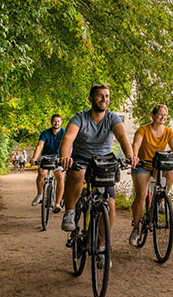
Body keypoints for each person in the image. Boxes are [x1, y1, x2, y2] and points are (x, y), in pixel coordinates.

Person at [59, 84, 135, 269]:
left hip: (103, 163)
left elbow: (122, 137)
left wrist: (130, 155)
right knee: (78, 174)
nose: (104, 100)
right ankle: (69, 213)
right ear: (91, 99)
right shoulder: (80, 117)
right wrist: (64, 156)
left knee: (109, 204)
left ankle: (102, 247)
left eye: (107, 96)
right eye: (100, 96)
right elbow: (68, 138)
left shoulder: (112, 118)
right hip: (82, 160)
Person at [128, 104, 173, 246]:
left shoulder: (168, 131)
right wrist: (134, 157)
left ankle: (160, 200)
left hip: (157, 165)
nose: (163, 117)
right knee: (141, 195)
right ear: (153, 115)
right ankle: (136, 229)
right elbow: (136, 144)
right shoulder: (143, 129)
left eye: (165, 115)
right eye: (160, 114)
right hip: (142, 164)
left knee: (171, 171)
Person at [30, 114, 66, 212]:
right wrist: (34, 158)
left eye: (58, 121)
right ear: (51, 122)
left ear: (61, 122)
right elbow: (40, 146)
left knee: (60, 177)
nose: (56, 123)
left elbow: (69, 145)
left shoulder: (64, 132)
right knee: (42, 173)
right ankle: (40, 195)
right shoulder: (45, 133)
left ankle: (57, 204)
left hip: (59, 158)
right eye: (54, 121)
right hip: (46, 157)